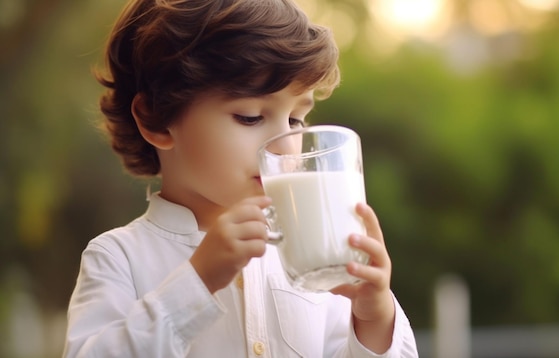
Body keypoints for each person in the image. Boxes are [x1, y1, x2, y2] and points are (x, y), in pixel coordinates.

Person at [63, 0, 419, 357]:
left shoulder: (312, 256)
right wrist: (197, 282)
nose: (284, 147)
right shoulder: (119, 257)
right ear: (155, 118)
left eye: (295, 120)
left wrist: (373, 319)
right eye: (250, 117)